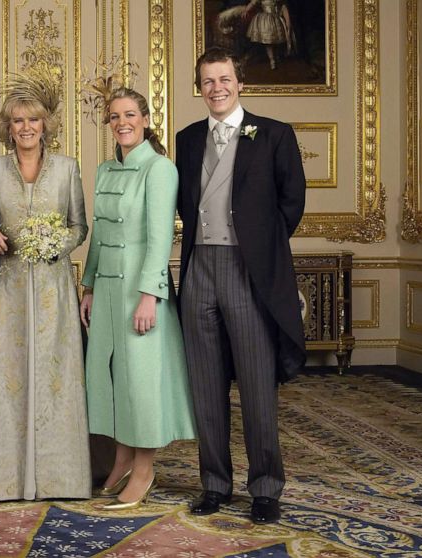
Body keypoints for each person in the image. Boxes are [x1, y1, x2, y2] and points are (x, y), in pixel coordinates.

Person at [175, 47, 306, 525]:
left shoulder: (273, 134)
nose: (217, 88)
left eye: (224, 79)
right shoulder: (187, 139)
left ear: (240, 82)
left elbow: (291, 203)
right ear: (200, 87)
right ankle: (214, 484)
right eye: (208, 81)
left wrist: (258, 247)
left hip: (247, 272)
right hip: (198, 271)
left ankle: (265, 488)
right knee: (205, 386)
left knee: (255, 386)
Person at [0, 77, 90, 501]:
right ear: (7, 127)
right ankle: (4, 478)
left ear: (45, 123)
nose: (25, 128)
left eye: (33, 119)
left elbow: (80, 226)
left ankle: (60, 478)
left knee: (56, 377)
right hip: (8, 290)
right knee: (8, 377)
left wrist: (59, 243)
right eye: (17, 121)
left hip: (55, 290)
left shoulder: (68, 168)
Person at [79, 88, 196, 510]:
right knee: (110, 378)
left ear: (146, 119)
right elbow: (99, 234)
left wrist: (150, 296)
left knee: (142, 383)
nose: (122, 122)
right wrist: (89, 286)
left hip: (141, 291)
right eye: (114, 116)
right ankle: (122, 457)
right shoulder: (106, 169)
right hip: (107, 290)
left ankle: (144, 469)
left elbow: (160, 238)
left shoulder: (160, 169)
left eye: (130, 114)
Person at [245, 0, 294, 69]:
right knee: (268, 42)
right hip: (266, 21)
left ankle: (276, 56)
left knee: (276, 40)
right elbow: (253, 3)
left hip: (276, 19)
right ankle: (272, 60)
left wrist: (287, 21)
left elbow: (283, 7)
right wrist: (246, 10)